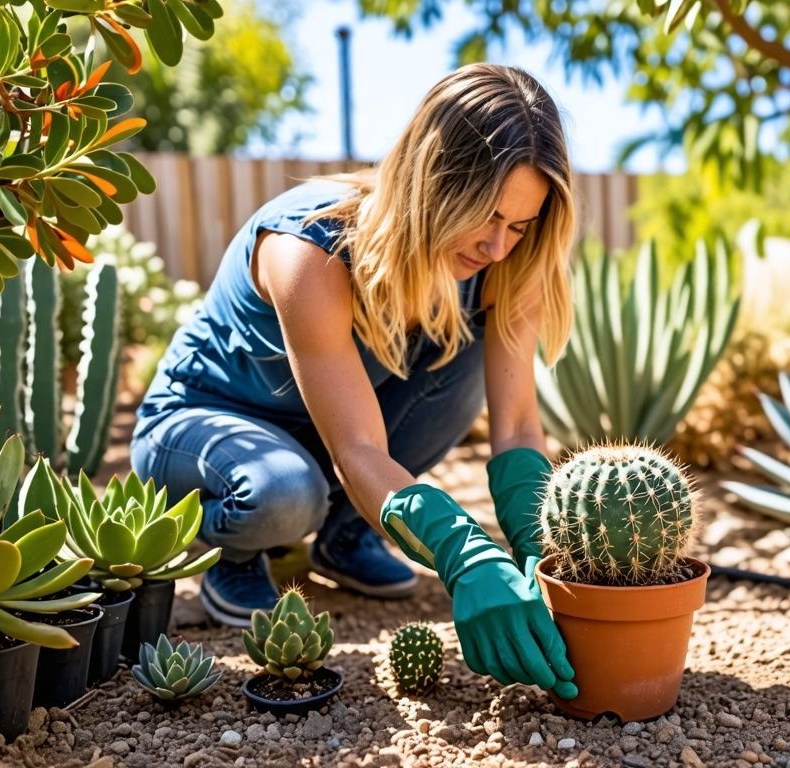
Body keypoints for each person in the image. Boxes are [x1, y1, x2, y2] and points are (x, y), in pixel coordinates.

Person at [130, 63, 578, 697]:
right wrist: (465, 554)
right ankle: (232, 551)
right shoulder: (307, 248)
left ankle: (347, 536)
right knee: (284, 494)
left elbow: (516, 426)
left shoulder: (505, 262)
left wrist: (542, 552)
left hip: (328, 431)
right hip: (208, 426)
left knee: (465, 356)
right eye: (486, 216)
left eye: (520, 225)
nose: (499, 247)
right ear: (433, 184)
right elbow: (357, 450)